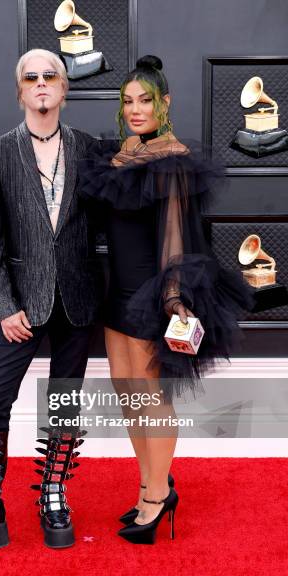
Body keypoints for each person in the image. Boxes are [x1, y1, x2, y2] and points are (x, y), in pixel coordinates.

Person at [79, 55, 254, 545]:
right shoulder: (117, 158)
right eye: (128, 102)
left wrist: (173, 299)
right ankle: (145, 487)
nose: (137, 110)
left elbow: (176, 236)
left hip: (152, 295)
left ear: (165, 103)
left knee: (152, 400)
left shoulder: (172, 162)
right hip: (117, 293)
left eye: (146, 101)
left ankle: (157, 497)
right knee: (128, 395)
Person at [0, 49, 99, 559]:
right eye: (31, 77)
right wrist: (5, 306)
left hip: (77, 299)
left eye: (51, 75)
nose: (42, 83)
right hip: (20, 305)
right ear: (20, 90)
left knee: (63, 404)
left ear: (65, 87)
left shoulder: (90, 149)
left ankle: (53, 493)